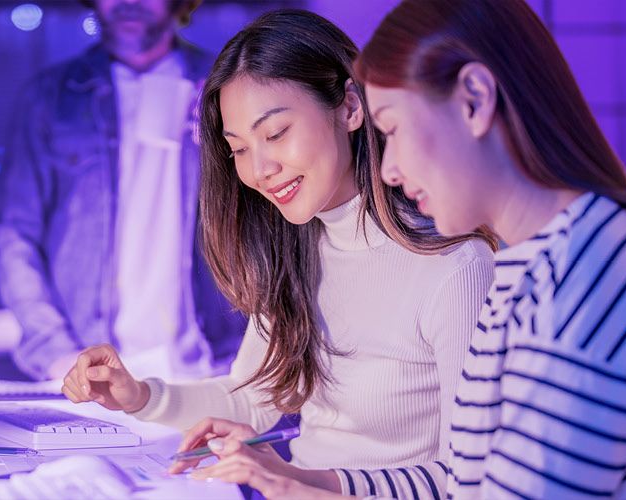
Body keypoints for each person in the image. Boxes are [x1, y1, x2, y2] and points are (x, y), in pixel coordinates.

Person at [206, 0, 626, 498]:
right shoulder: (525, 268)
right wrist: (304, 482)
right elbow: (469, 482)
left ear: (474, 99)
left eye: (394, 129)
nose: (389, 168)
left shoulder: (595, 275)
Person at [58, 8, 495, 488]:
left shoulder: (454, 267)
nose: (260, 170)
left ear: (350, 107)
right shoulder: (297, 249)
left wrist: (298, 481)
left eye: (276, 133)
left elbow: (470, 480)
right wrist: (139, 396)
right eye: (240, 149)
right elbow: (254, 399)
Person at [0, 0, 246, 382]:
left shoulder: (226, 88)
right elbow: (13, 233)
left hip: (210, 367)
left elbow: (267, 222)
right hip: (88, 368)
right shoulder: (50, 98)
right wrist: (55, 351)